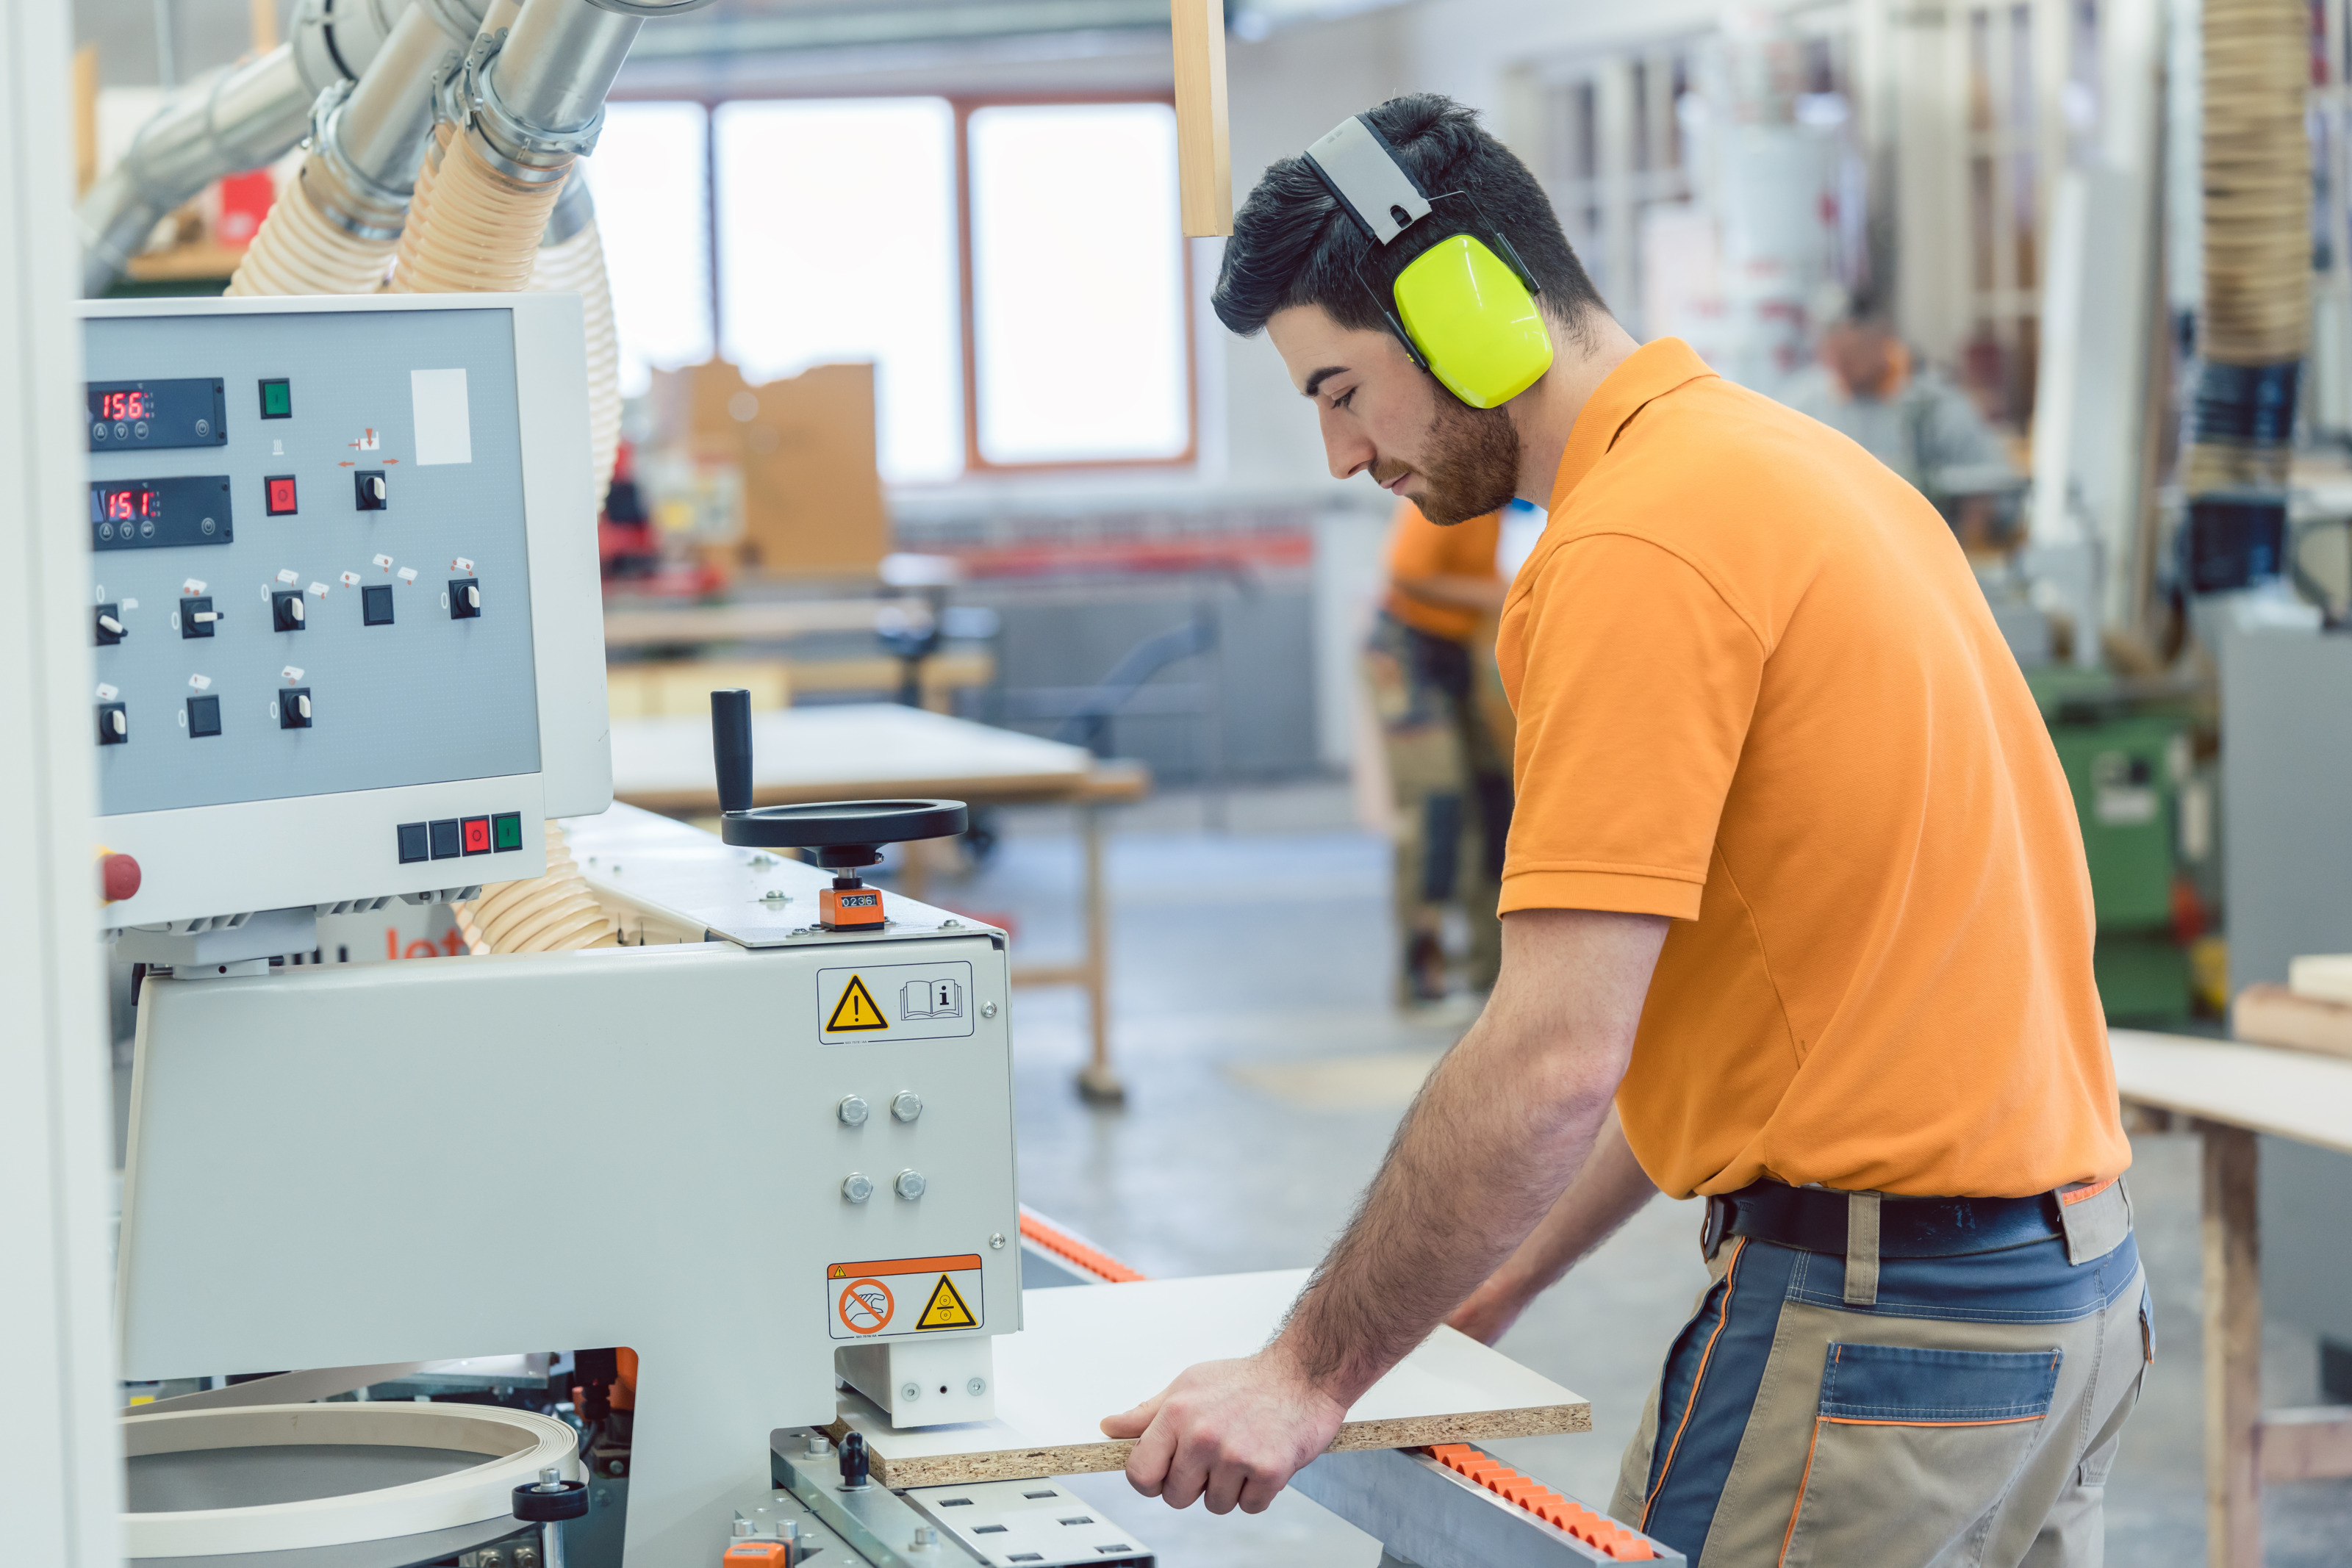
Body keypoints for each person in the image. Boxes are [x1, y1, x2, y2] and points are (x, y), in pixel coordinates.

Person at [1098, 94, 2143, 1567]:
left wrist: (1302, 1372)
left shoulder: (1627, 549)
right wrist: (1488, 1280)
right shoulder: (1808, 471)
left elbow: (1553, 1052)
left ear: (1464, 309)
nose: (1341, 452)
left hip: (1885, 1337)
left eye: (1339, 388)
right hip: (2071, 1310)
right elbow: (1701, 1025)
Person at [1364, 497, 1513, 1005]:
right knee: (1437, 800)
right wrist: (1503, 592)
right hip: (1408, 650)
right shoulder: (1456, 490)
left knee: (1496, 795)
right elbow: (1406, 572)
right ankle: (1419, 970)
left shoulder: (1495, 506)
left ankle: (1490, 970)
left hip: (1459, 651)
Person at [1776, 306, 2022, 553]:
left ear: (1883, 345)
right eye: (1835, 353)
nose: (1843, 365)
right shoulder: (1802, 405)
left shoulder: (1938, 408)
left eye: (1854, 353)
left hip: (1925, 555)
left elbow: (1996, 489)